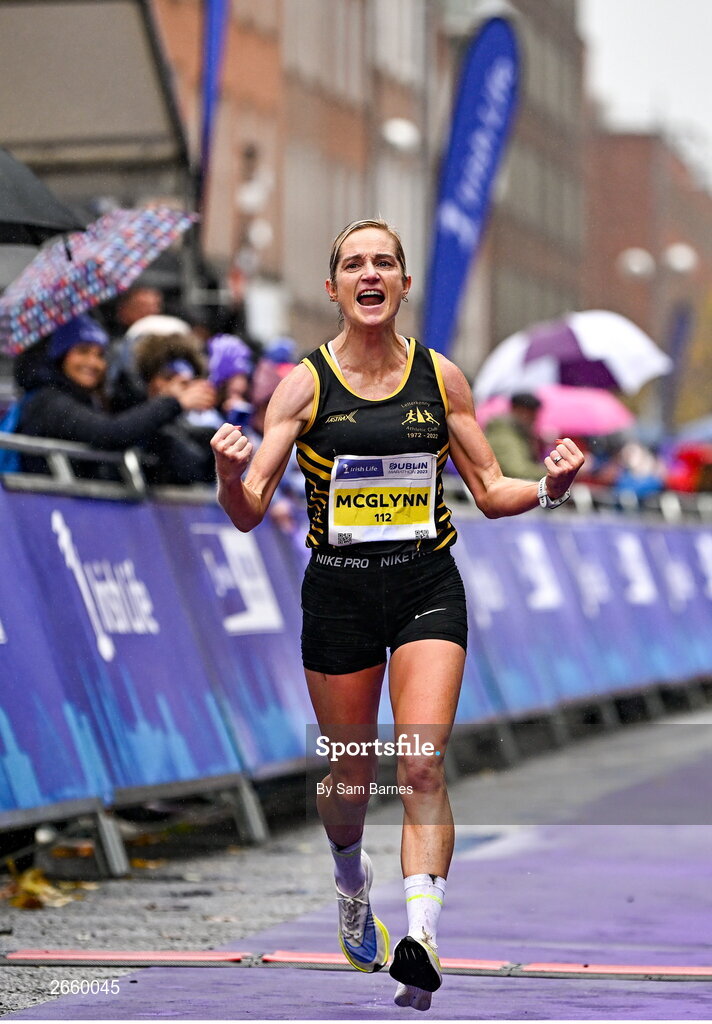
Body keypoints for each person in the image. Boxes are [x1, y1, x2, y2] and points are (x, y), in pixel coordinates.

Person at [210, 219, 583, 1012]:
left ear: (404, 284)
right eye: (354, 263)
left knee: (418, 763)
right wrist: (224, 470)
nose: (370, 273)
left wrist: (549, 485)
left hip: (425, 587)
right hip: (340, 594)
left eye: (385, 262)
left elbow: (491, 490)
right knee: (350, 778)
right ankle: (352, 879)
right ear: (334, 288)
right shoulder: (304, 387)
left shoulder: (441, 379)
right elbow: (248, 512)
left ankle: (423, 935)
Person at [16, 314, 214, 480]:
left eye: (100, 354)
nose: (93, 363)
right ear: (60, 356)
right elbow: (109, 433)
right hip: (47, 512)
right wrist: (174, 403)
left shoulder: (91, 400)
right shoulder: (47, 401)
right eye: (82, 351)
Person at [132, 331, 218, 485]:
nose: (176, 387)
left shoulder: (189, 426)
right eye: (168, 377)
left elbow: (200, 470)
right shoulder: (131, 414)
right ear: (149, 380)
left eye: (186, 382)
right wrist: (174, 403)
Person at [483, 391, 546, 480]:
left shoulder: (520, 432)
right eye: (529, 413)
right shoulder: (502, 433)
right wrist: (552, 472)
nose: (533, 419)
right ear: (515, 409)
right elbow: (516, 471)